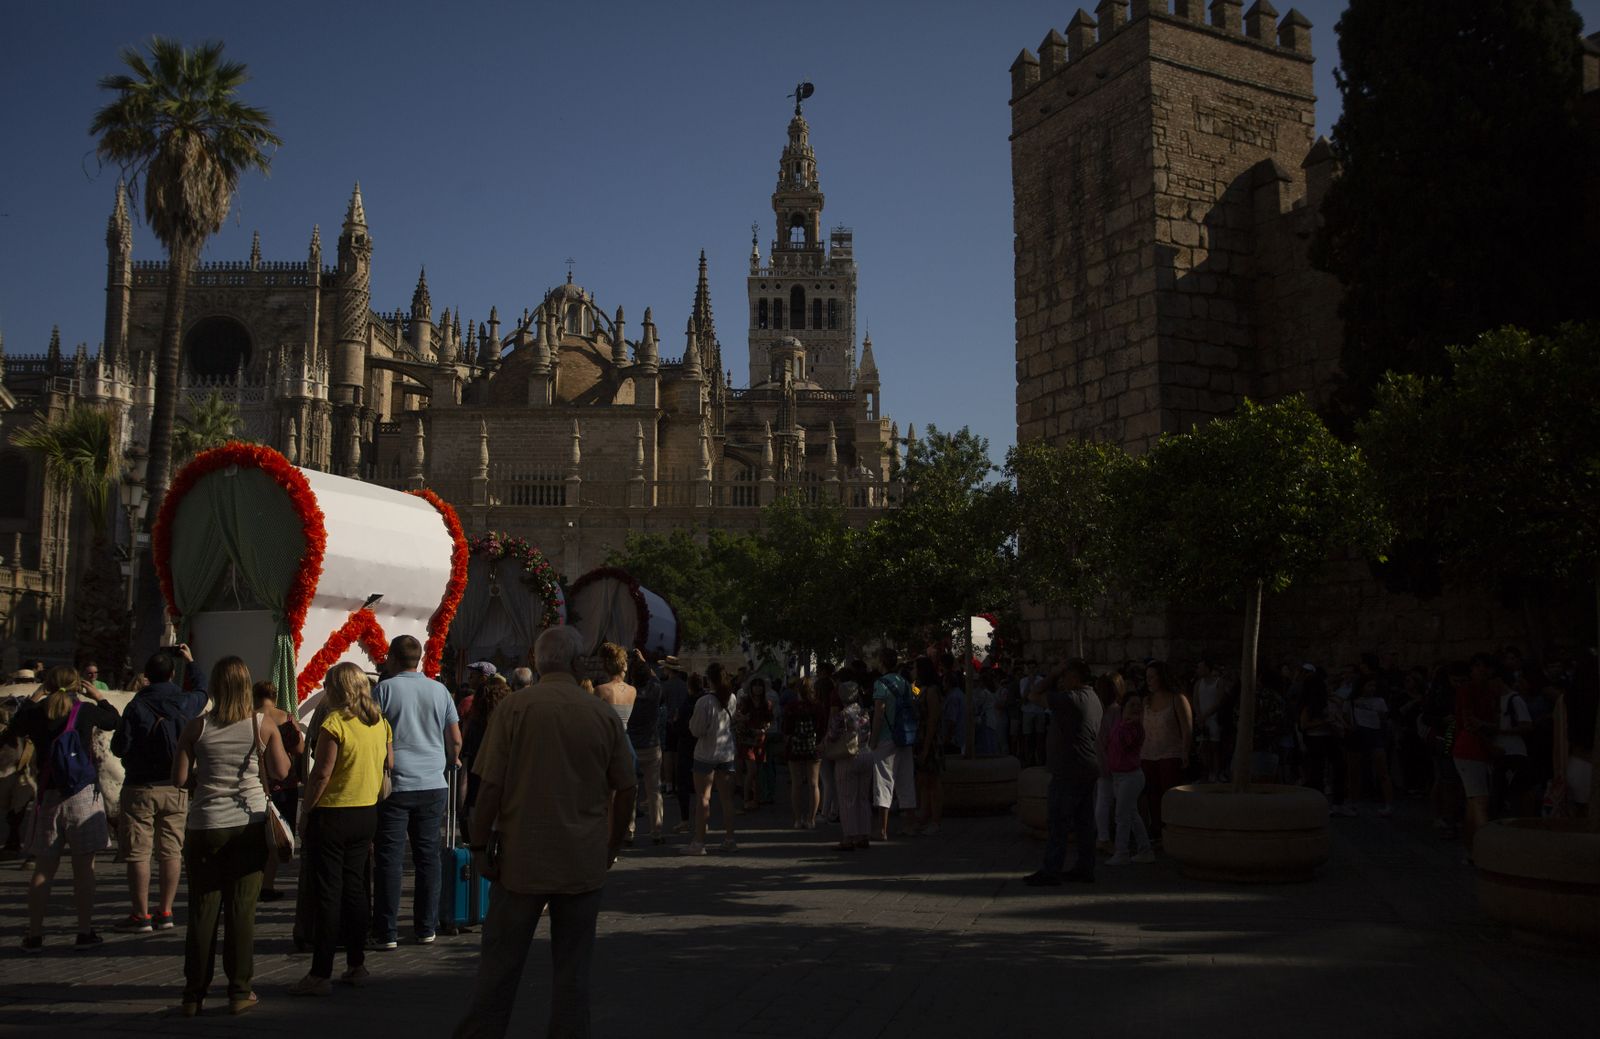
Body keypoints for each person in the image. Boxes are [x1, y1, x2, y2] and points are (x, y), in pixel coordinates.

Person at [453, 626, 634, 1038]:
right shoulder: (600, 713)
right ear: (575, 663)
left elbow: (491, 787)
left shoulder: (515, 709)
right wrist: (611, 843)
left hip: (522, 857)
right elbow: (626, 787)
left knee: (499, 967)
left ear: (536, 661)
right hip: (582, 858)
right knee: (573, 971)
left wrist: (479, 845)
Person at [172, 657, 292, 1016]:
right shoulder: (262, 724)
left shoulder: (196, 727)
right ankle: (240, 991)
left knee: (203, 911)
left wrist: (203, 779)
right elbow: (282, 769)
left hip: (204, 825)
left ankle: (194, 993)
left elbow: (178, 779)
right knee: (242, 911)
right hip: (247, 822)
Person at [289, 662, 392, 997]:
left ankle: (321, 972)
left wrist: (306, 811)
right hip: (366, 812)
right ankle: (356, 962)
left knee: (328, 892)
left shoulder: (335, 723)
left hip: (334, 813)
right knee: (357, 889)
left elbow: (322, 773)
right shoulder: (379, 722)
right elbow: (389, 763)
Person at [7, 665, 119, 952]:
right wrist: (97, 695)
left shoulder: (36, 712)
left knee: (43, 870)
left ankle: (34, 933)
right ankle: (84, 931)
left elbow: (15, 727)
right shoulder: (83, 711)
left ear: (48, 685)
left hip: (48, 795)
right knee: (84, 869)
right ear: (77, 686)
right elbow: (113, 720)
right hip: (82, 794)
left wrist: (36, 695)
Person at [371, 634, 462, 948]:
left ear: (393, 658)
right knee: (428, 859)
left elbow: (372, 733)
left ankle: (386, 931)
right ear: (420, 658)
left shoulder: (383, 690)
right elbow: (455, 738)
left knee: (389, 859)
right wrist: (452, 758)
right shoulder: (439, 691)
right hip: (433, 782)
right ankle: (425, 926)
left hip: (395, 783)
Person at [111, 645, 206, 932]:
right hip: (175, 785)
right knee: (171, 851)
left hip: (140, 786)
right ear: (172, 674)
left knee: (139, 853)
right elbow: (203, 689)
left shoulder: (136, 705)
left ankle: (140, 915)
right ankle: (165, 910)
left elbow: (119, 747)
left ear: (147, 677)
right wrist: (191, 661)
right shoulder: (184, 702)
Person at [1023, 659, 1103, 886]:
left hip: (1069, 769)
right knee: (1083, 822)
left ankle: (1051, 869)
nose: (1062, 680)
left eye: (1065, 676)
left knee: (1059, 820)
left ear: (1075, 677)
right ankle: (1085, 867)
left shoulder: (1071, 699)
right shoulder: (1093, 697)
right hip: (1085, 767)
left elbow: (1033, 695)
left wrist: (1051, 674)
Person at [253, 681, 304, 902]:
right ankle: (267, 884)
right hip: (285, 785)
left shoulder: (250, 718)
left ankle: (256, 881)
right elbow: (300, 749)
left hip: (256, 782)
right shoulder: (286, 718)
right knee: (276, 834)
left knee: (256, 837)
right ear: (274, 696)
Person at [683, 663, 738, 854]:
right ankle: (730, 838)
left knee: (703, 799)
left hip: (706, 753)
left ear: (710, 679)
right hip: (726, 752)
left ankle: (699, 842)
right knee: (727, 799)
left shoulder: (704, 702)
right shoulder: (731, 698)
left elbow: (696, 730)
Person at [1452, 654, 1501, 863]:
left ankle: (1471, 849)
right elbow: (1469, 722)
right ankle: (1484, 852)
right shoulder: (1468, 691)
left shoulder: (1489, 691)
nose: (1481, 671)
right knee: (1480, 801)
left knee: (1475, 802)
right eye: (1478, 667)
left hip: (1478, 749)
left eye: (1485, 667)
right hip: (1470, 749)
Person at [1138, 661, 1191, 844]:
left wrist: (1185, 752)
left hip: (1170, 752)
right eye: (1147, 677)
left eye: (1153, 676)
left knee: (1169, 793)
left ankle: (1173, 829)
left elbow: (1186, 728)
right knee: (1152, 793)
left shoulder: (1177, 699)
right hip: (1148, 753)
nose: (1149, 680)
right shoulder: (1146, 701)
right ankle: (1156, 829)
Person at [868, 648, 918, 841]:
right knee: (906, 780)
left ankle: (882, 829)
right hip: (905, 735)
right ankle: (909, 825)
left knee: (883, 781)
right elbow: (914, 700)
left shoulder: (880, 684)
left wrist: (873, 739)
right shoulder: (905, 682)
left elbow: (879, 712)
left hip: (886, 738)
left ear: (882, 662)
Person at [1105, 693, 1156, 864]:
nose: (1136, 708)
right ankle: (1145, 850)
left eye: (1137, 705)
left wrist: (1131, 722)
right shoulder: (1123, 724)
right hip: (1119, 776)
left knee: (1122, 815)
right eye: (1131, 705)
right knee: (1132, 814)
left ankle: (1122, 852)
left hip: (1130, 776)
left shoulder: (1135, 728)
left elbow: (1126, 743)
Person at [462, 675, 511, 836]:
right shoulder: (511, 724)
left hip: (478, 794)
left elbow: (466, 771)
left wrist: (463, 805)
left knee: (479, 847)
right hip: (508, 795)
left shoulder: (475, 726)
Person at [626, 652, 665, 845]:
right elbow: (655, 677)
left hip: (632, 745)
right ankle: (656, 830)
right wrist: (643, 661)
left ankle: (629, 831)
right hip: (651, 744)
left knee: (631, 790)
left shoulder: (629, 694)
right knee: (654, 790)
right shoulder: (655, 691)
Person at [826, 680, 870, 850]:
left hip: (848, 756)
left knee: (846, 799)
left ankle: (849, 836)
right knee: (863, 798)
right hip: (866, 753)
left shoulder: (842, 715)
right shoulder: (864, 712)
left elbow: (832, 736)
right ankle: (863, 834)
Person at [1348, 678, 1395, 816]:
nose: (1372, 688)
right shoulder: (1352, 701)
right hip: (1359, 735)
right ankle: (1353, 801)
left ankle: (1389, 803)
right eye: (1369, 685)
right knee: (1354, 771)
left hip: (1374, 734)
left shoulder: (1379, 701)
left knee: (1382, 772)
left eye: (1374, 685)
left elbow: (1383, 720)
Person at [784, 677, 826, 830]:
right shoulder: (818, 706)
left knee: (796, 784)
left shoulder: (791, 706)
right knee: (814, 784)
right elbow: (822, 728)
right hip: (813, 746)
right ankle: (811, 819)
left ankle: (797, 819)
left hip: (795, 746)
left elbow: (786, 729)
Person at [910, 658, 945, 837]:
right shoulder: (920, 688)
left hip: (929, 739)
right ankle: (923, 816)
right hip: (919, 737)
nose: (913, 670)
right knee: (923, 780)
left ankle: (935, 820)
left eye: (915, 668)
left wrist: (926, 745)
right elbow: (912, 692)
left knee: (933, 781)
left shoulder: (932, 691)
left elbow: (933, 719)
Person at [1191, 656, 1230, 783]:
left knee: (1215, 748)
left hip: (1214, 720)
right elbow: (1195, 701)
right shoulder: (1198, 684)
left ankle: (1216, 773)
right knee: (1203, 749)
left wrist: (1206, 714)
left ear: (1207, 668)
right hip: (1202, 720)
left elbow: (1219, 702)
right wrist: (1199, 716)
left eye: (1201, 667)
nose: (1198, 670)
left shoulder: (1219, 682)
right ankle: (1205, 773)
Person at [735, 677, 772, 812]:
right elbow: (737, 716)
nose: (757, 688)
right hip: (746, 739)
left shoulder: (766, 704)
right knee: (752, 770)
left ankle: (755, 799)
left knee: (757, 771)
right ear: (750, 688)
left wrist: (763, 730)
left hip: (760, 739)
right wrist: (743, 719)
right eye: (755, 686)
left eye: (759, 686)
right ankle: (746, 799)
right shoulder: (745, 702)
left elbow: (769, 721)